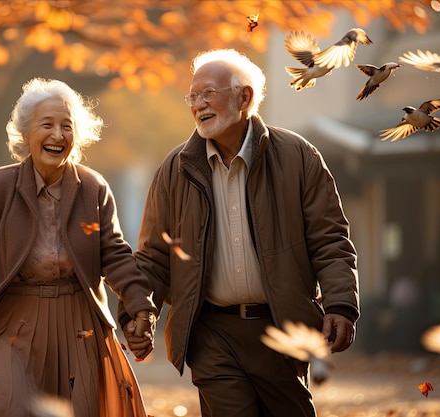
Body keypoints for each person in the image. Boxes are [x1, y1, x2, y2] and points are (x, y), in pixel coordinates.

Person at [122, 49, 360, 416]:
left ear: (244, 97)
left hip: (282, 328)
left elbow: (329, 241)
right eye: (192, 96)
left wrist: (341, 304)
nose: (197, 104)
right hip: (212, 333)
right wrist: (137, 311)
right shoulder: (175, 169)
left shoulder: (298, 157)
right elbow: (154, 256)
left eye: (208, 94)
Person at [0, 78, 157, 417]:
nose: (57, 135)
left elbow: (115, 254)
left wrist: (140, 303)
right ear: (25, 135)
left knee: (79, 410)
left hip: (78, 320)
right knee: (8, 405)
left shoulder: (93, 187)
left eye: (67, 126)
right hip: (13, 319)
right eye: (46, 124)